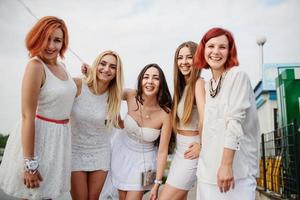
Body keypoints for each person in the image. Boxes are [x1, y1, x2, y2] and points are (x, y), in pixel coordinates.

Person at [0, 16, 77, 199]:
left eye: (57, 40)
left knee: (48, 196)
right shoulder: (35, 66)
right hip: (39, 140)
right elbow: (27, 115)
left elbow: (67, 93)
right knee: (31, 195)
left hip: (59, 139)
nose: (50, 45)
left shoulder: (63, 66)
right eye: (46, 38)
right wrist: (30, 164)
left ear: (63, 42)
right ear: (37, 38)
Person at [193, 27, 260, 200]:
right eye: (211, 46)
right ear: (203, 50)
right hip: (207, 174)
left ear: (230, 51)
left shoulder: (238, 76)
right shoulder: (208, 86)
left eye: (222, 47)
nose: (216, 52)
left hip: (236, 173)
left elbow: (234, 123)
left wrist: (226, 164)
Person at [111, 64, 172, 200]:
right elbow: (109, 92)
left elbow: (163, 151)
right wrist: (118, 119)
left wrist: (157, 183)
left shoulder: (166, 114)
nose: (150, 81)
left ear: (161, 84)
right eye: (146, 77)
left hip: (147, 164)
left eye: (155, 78)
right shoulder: (131, 95)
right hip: (121, 154)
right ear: (140, 80)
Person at [70, 50, 124, 200]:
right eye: (103, 63)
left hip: (101, 151)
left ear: (117, 73)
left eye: (113, 67)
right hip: (75, 150)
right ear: (96, 65)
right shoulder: (78, 85)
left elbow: (119, 124)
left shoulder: (114, 96)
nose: (107, 69)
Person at [159, 41, 205, 200]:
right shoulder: (181, 87)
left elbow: (205, 118)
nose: (184, 62)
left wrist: (202, 145)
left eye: (189, 57)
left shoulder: (198, 84)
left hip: (191, 150)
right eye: (180, 58)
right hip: (180, 149)